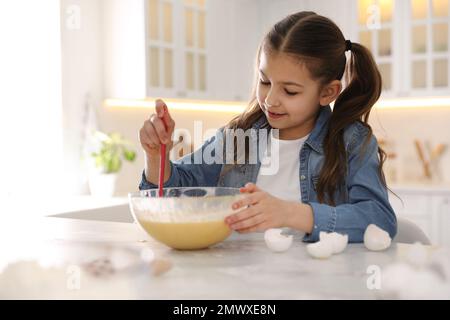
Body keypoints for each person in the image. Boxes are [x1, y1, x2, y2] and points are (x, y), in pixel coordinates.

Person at [138, 11, 397, 243]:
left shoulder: (351, 142)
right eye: (264, 81)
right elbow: (177, 192)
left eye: (290, 91)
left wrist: (291, 213)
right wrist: (155, 155)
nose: (271, 99)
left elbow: (379, 220)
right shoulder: (239, 137)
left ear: (328, 92)